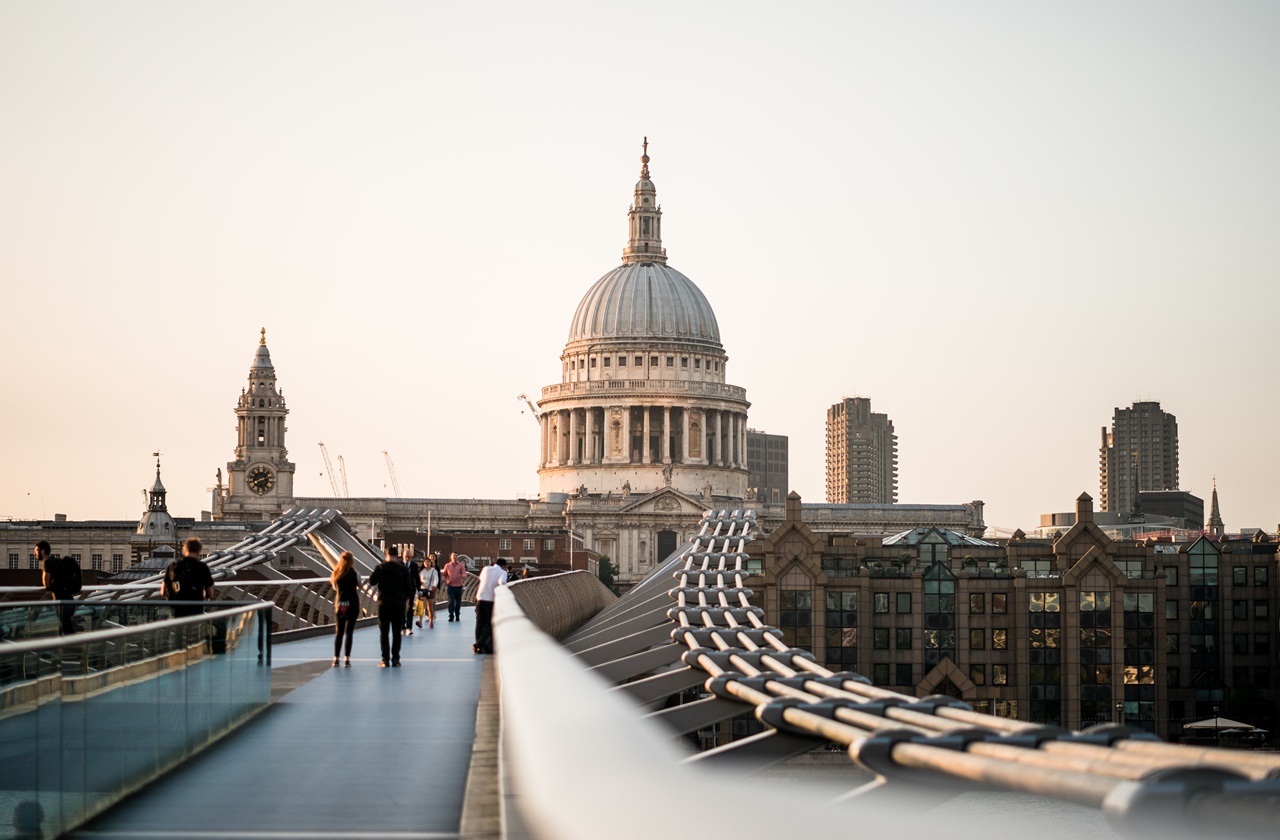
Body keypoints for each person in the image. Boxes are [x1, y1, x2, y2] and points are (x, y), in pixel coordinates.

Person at [368, 545, 412, 667]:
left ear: (386, 555)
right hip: (398, 604)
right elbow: (409, 588)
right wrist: (404, 600)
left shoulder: (380, 568)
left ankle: (385, 659)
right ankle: (396, 659)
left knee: (384, 632)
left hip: (384, 603)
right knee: (397, 632)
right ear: (397, 556)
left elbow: (372, 582)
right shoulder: (403, 570)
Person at [162, 537, 215, 618]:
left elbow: (163, 591)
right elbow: (210, 593)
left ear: (185, 551)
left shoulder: (173, 565)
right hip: (196, 610)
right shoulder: (202, 567)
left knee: (177, 629)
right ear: (199, 551)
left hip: (176, 610)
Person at [37, 540, 77, 635]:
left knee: (67, 630)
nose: (34, 553)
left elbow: (46, 583)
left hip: (61, 599)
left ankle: (72, 647)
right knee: (66, 628)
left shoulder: (47, 562)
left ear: (42, 551)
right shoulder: (55, 560)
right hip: (70, 598)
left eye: (36, 550)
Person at [473, 558, 508, 655]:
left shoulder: (486, 569)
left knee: (479, 623)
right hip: (490, 600)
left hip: (480, 597)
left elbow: (480, 579)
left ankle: (479, 647)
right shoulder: (502, 572)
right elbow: (503, 582)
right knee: (490, 624)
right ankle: (479, 644)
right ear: (504, 566)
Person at [330, 550, 359, 667]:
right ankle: (347, 659)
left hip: (341, 604)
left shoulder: (336, 574)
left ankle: (336, 658)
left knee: (339, 632)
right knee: (349, 632)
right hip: (352, 604)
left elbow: (335, 588)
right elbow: (360, 585)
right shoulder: (355, 573)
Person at [442, 552, 467, 622]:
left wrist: (462, 575)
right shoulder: (447, 565)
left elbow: (465, 574)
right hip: (450, 586)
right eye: (453, 556)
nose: (455, 557)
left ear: (457, 557)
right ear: (451, 557)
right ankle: (451, 615)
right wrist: (443, 579)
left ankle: (457, 614)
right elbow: (444, 574)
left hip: (459, 586)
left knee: (458, 602)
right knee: (451, 601)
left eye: (456, 555)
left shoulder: (461, 565)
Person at [402, 549, 421, 636]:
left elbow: (417, 578)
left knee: (410, 607)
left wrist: (419, 589)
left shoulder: (414, 565)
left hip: (411, 589)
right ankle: (402, 627)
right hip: (401, 589)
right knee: (401, 608)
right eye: (406, 557)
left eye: (409, 557)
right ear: (403, 556)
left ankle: (409, 628)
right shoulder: (399, 565)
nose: (408, 558)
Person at [418, 553, 440, 629]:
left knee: (430, 607)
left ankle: (431, 621)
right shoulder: (421, 571)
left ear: (431, 563)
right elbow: (418, 580)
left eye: (428, 562)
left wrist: (434, 585)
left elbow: (436, 579)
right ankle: (420, 621)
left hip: (430, 590)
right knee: (421, 606)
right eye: (425, 562)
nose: (427, 563)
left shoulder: (434, 571)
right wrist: (419, 584)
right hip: (423, 589)